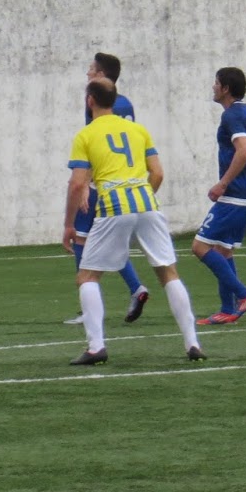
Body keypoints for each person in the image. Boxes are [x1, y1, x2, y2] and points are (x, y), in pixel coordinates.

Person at [62, 78, 205, 365]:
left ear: (90, 100)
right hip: (147, 202)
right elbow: (158, 173)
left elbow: (77, 184)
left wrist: (69, 224)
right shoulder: (138, 130)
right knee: (168, 272)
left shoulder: (85, 135)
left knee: (87, 277)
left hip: (114, 204)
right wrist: (141, 197)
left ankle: (96, 347)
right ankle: (192, 343)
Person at [65, 53, 150, 326]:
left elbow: (95, 146)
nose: (88, 73)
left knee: (81, 239)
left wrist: (85, 186)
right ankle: (136, 288)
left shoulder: (97, 106)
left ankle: (88, 308)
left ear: (101, 75)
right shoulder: (125, 104)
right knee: (110, 242)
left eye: (91, 69)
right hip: (127, 186)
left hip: (101, 184)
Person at [190, 67, 246, 326]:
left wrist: (223, 183)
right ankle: (227, 310)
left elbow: (243, 151)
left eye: (216, 83)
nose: (213, 87)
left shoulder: (231, 115)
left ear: (225, 88)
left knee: (200, 247)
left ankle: (243, 295)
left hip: (235, 196)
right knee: (223, 250)